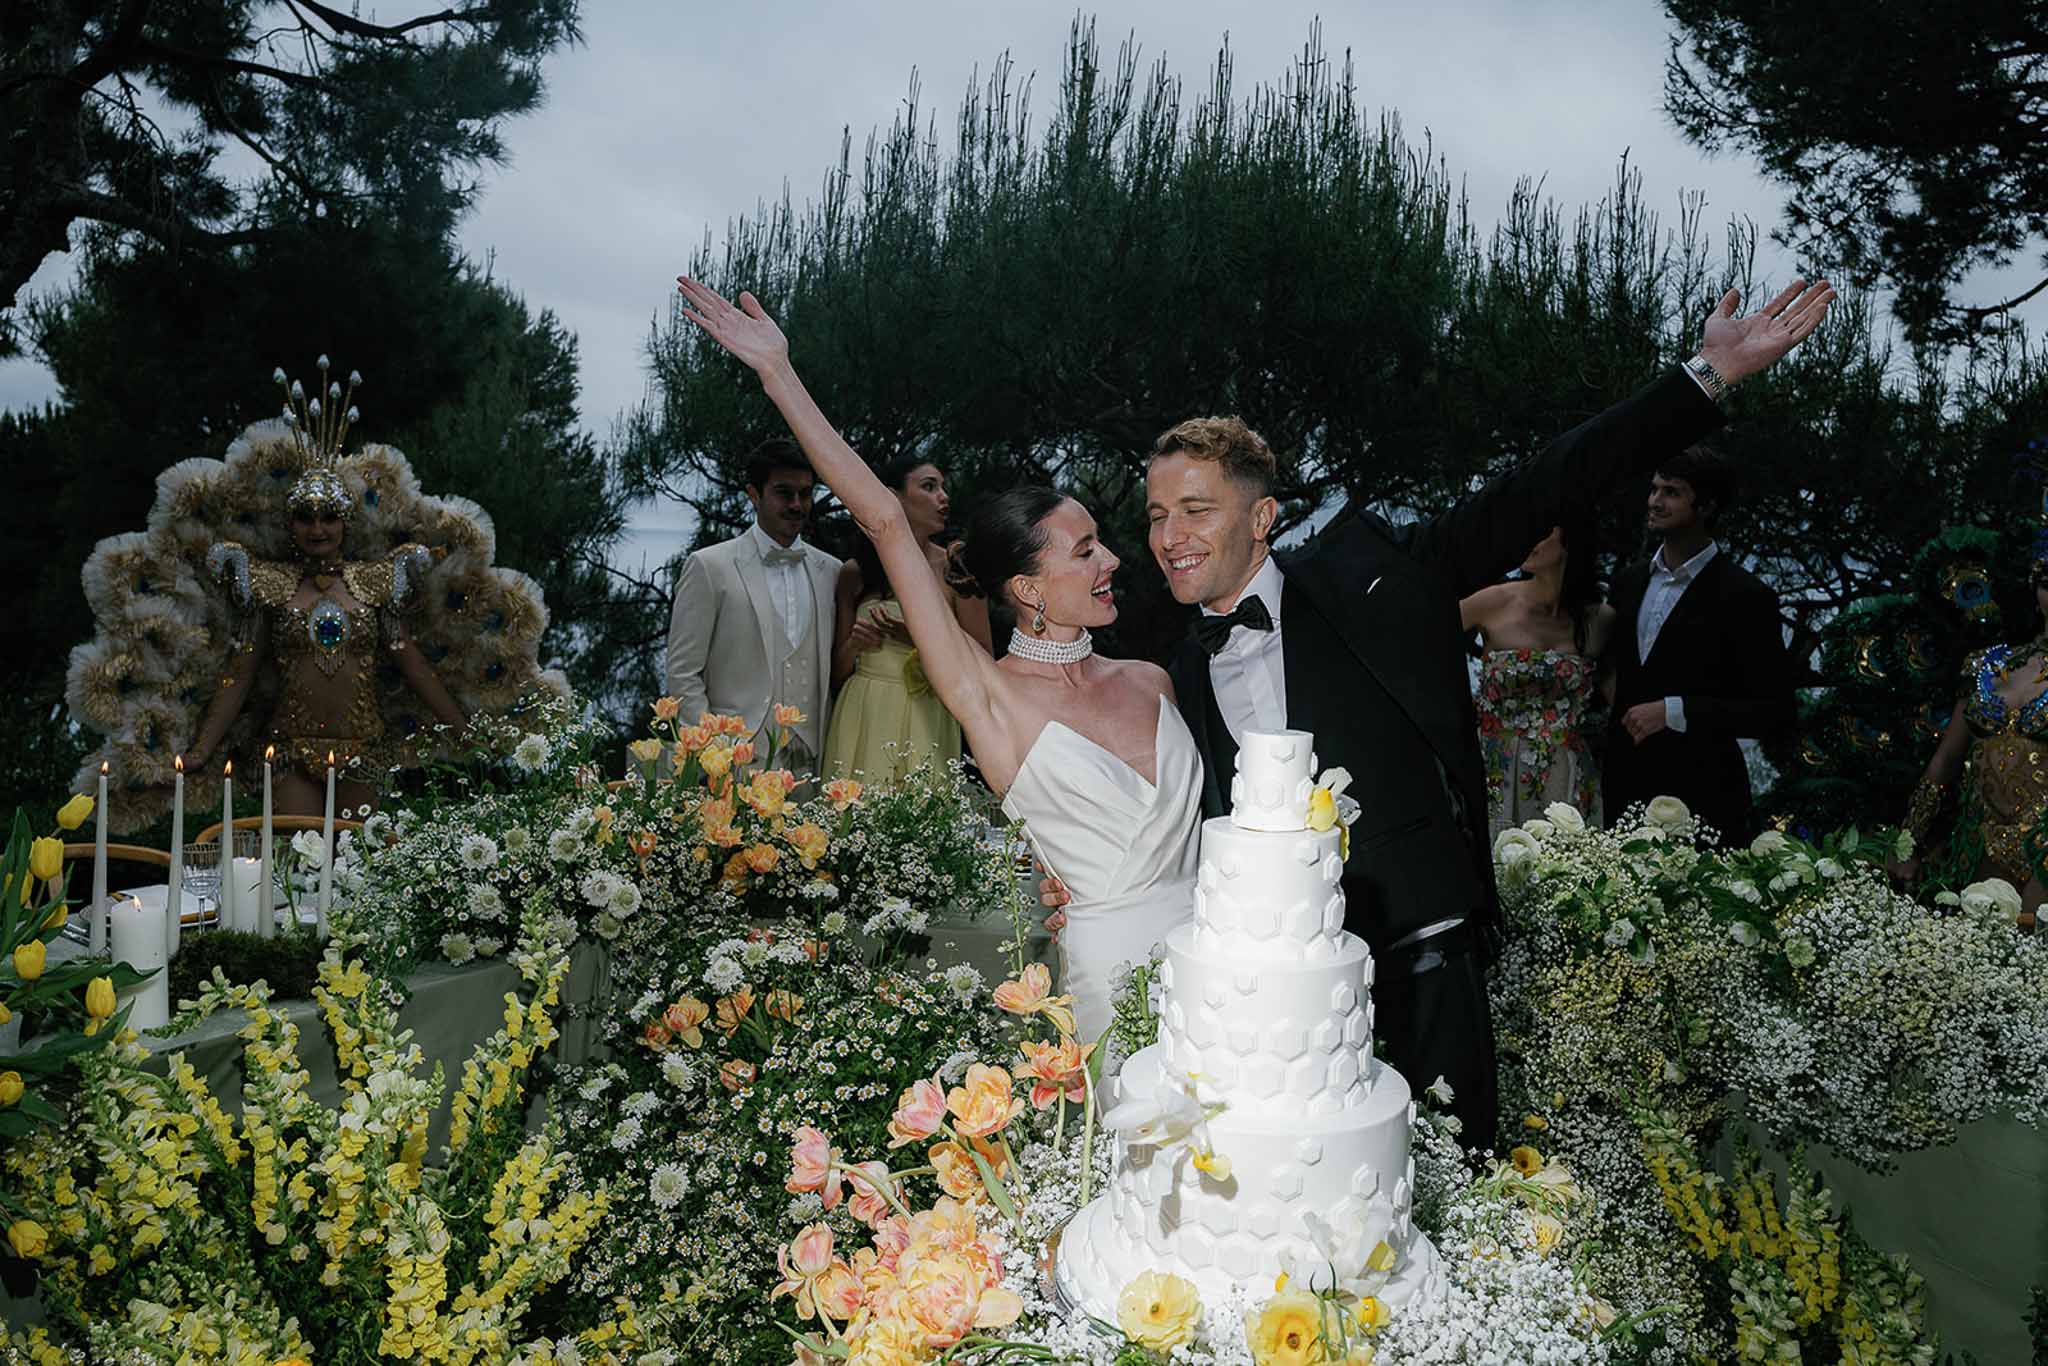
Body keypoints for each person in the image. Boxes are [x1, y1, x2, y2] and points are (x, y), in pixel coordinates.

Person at [1146, 281, 1834, 1142]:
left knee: (1455, 1167)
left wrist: (1707, 374)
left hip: (1417, 942)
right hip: (1273, 986)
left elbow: (1544, 481)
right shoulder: (1176, 663)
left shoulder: (1374, 581)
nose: (1170, 534)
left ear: (1264, 517)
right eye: (1158, 515)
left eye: (1196, 510)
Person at [675, 276, 1199, 1043]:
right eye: (1086, 551)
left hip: (1221, 962)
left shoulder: (1153, 681)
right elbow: (886, 521)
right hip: (1111, 984)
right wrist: (777, 373)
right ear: (1028, 588)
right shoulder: (991, 699)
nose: (1114, 560)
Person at [1604, 445, 1797, 844]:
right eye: (1654, 489)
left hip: (1705, 796)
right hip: (1622, 790)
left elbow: (1774, 712)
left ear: (1706, 507)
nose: (1655, 501)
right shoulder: (1626, 583)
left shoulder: (1747, 596)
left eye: (1672, 492)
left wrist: (1676, 711)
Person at [664, 444, 842, 770]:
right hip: (736, 760)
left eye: (805, 494)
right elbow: (682, 672)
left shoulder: (831, 571)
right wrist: (711, 753)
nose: (796, 505)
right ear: (753, 495)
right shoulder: (709, 566)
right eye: (783, 493)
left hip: (813, 762)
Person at [1892, 560, 2048, 924]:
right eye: (2047, 581)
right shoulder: (1986, 665)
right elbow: (1944, 762)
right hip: (1979, 844)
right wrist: (1907, 841)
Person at [823, 455, 993, 786]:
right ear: (893, 496)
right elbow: (836, 675)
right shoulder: (855, 574)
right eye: (929, 487)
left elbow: (985, 659)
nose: (944, 497)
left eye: (943, 487)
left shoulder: (957, 571)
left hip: (926, 714)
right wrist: (854, 645)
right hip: (863, 712)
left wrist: (917, 638)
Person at [1460, 518, 1617, 834]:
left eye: (1543, 534)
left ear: (1572, 544)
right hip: (1496, 770)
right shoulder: (1491, 602)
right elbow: (1421, 644)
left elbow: (1616, 701)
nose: (1529, 541)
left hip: (1568, 777)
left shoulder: (1600, 619)